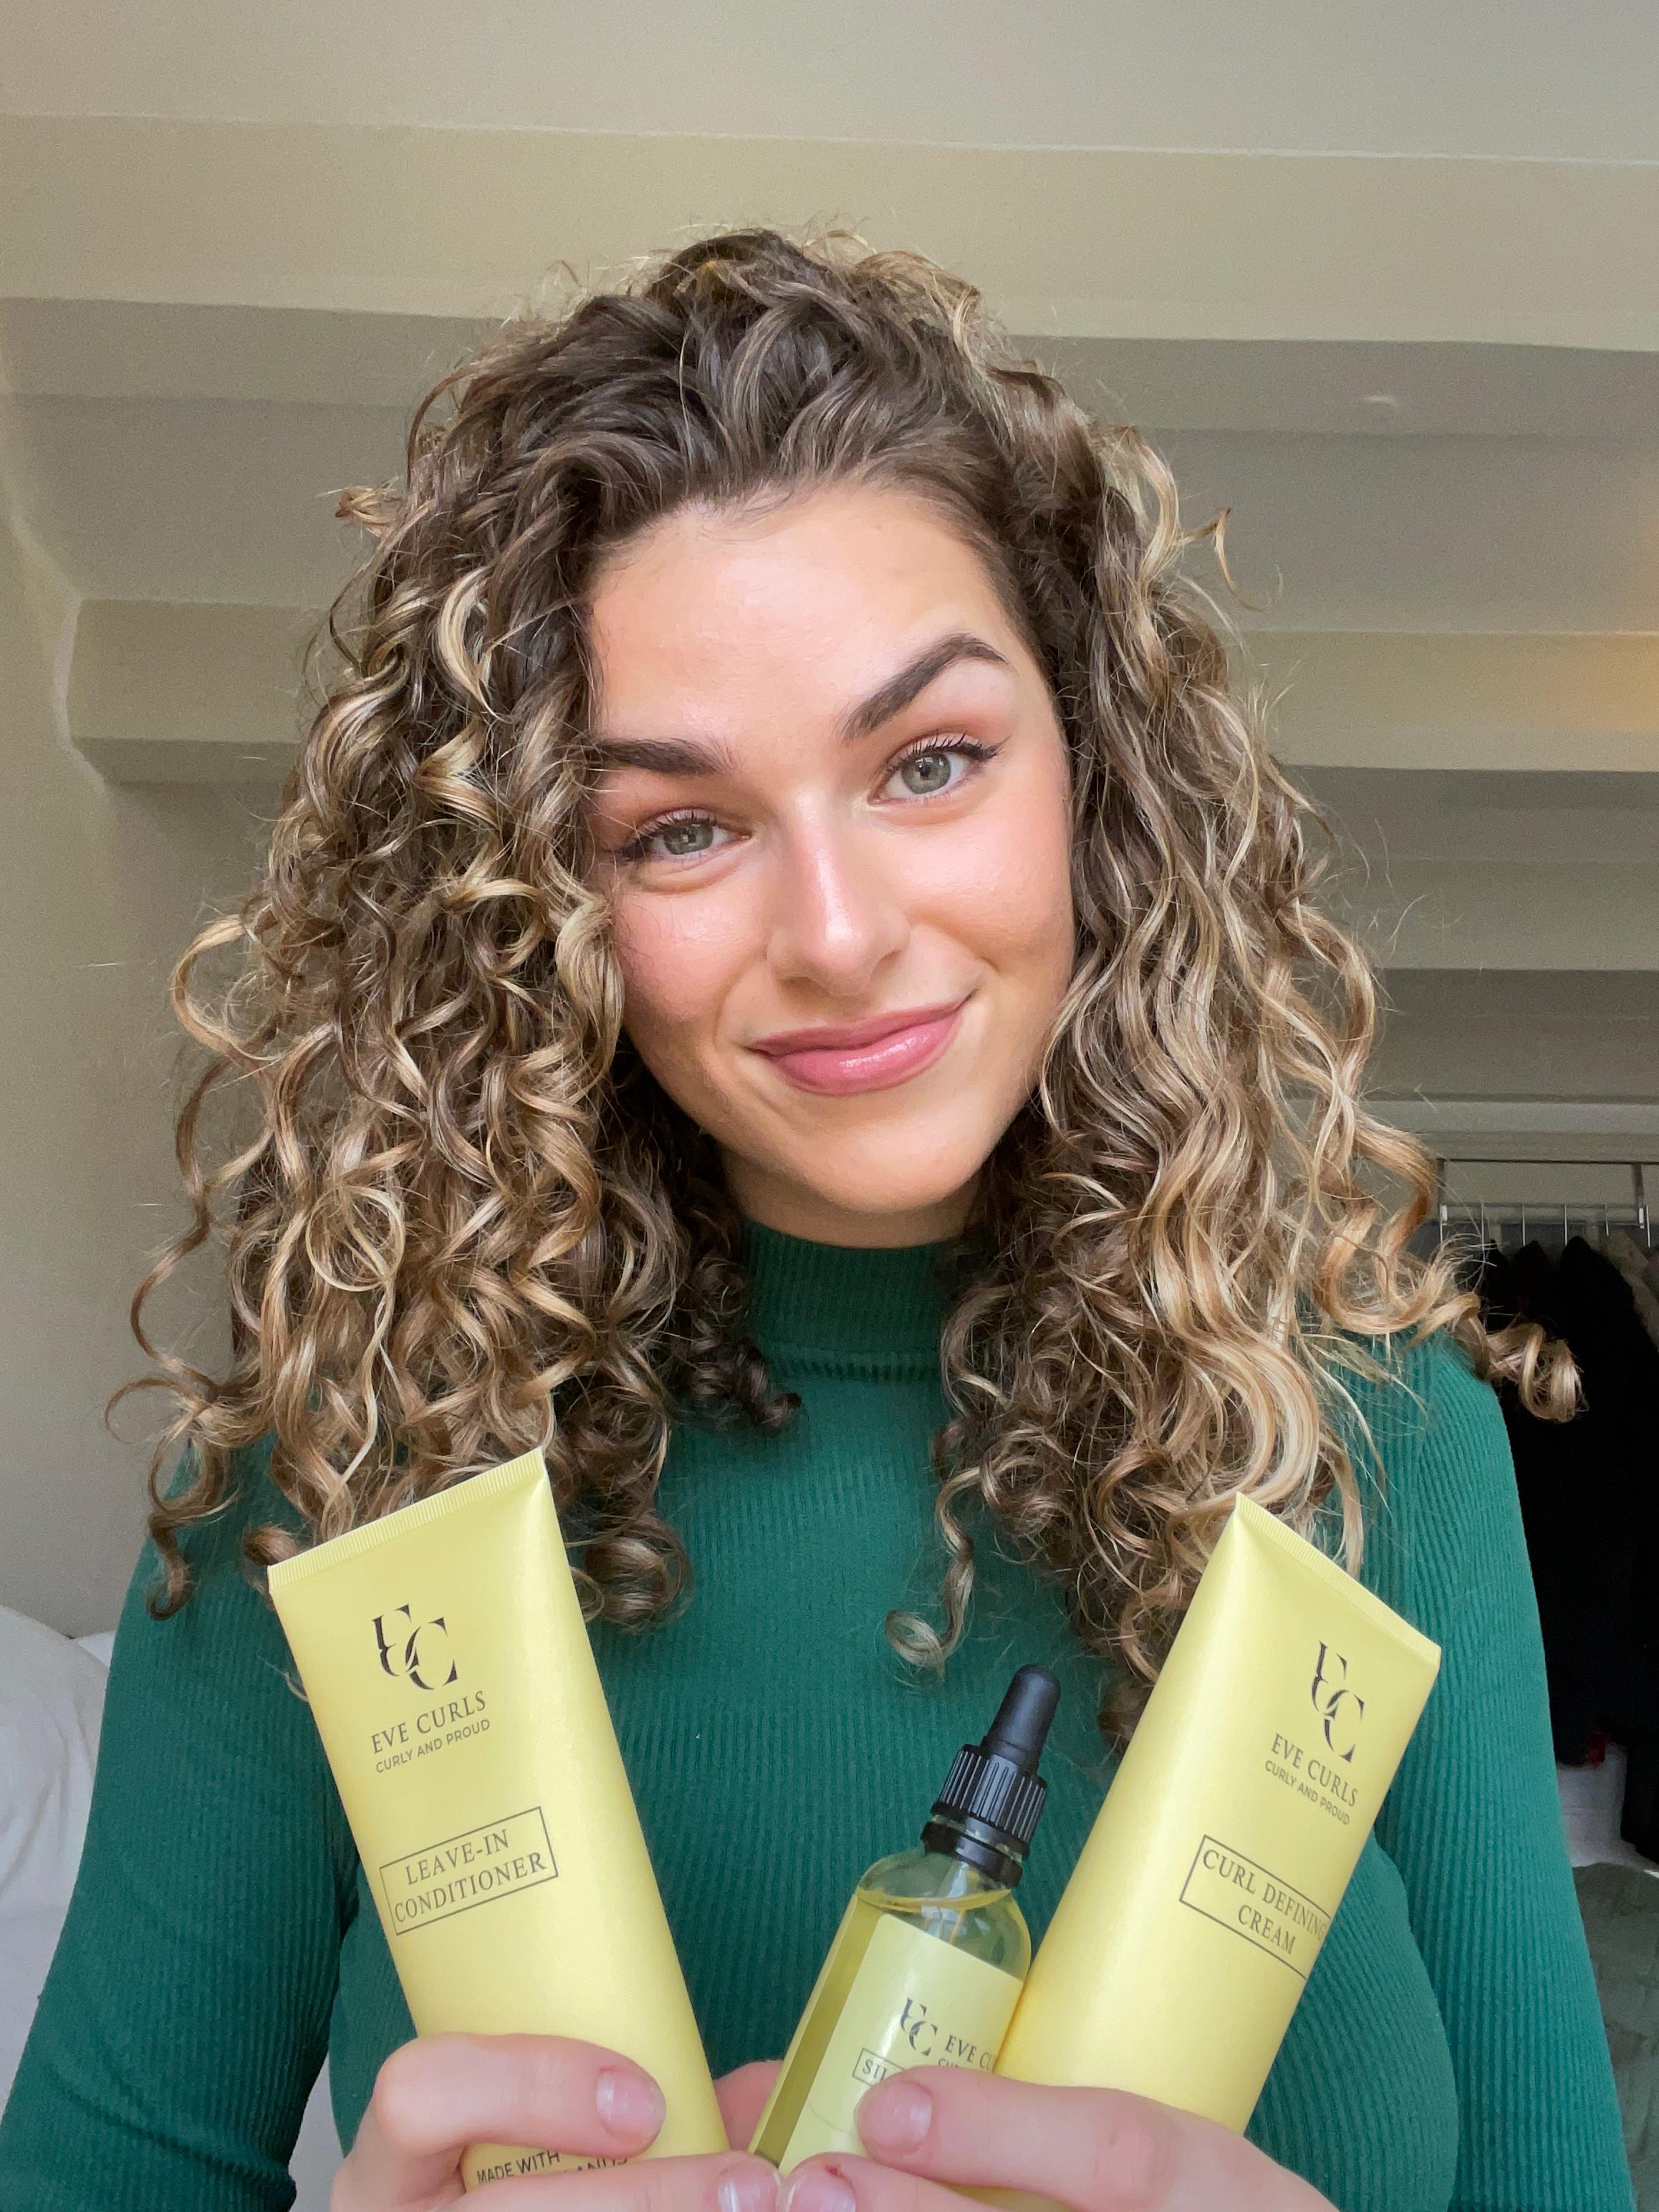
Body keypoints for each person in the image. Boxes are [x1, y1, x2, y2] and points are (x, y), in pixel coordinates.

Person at [0, 230, 1630, 2212]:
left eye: (929, 762)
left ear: (1094, 778)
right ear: (546, 897)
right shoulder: (342, 1478)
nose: (840, 937)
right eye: (679, 827)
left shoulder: (1376, 1436)